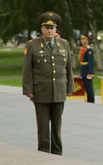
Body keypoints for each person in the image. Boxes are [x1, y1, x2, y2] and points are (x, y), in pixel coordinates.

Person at [22, 12, 74, 155]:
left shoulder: (64, 44)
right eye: (46, 28)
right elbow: (27, 70)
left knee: (57, 126)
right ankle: (43, 152)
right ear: (42, 29)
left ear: (56, 29)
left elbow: (68, 68)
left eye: (52, 28)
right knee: (43, 126)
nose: (49, 31)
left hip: (59, 90)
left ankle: (57, 153)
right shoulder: (32, 45)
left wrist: (70, 87)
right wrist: (28, 89)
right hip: (41, 91)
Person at [79, 33, 95, 103]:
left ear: (87, 40)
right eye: (81, 39)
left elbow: (91, 62)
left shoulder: (89, 50)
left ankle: (91, 102)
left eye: (83, 39)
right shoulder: (83, 49)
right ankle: (89, 101)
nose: (81, 40)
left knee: (89, 89)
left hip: (87, 72)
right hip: (84, 71)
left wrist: (90, 73)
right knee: (86, 88)